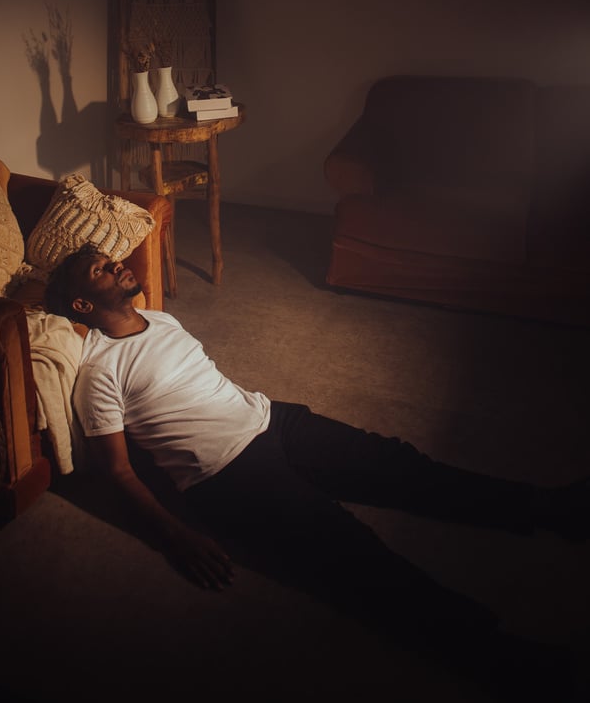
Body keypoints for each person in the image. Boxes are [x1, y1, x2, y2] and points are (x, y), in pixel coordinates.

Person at [44, 245, 588, 701]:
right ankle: (500, 655)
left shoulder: (161, 318)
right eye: (99, 268)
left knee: (401, 467)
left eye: (109, 257)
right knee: (351, 553)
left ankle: (549, 508)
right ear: (82, 303)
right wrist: (177, 537)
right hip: (227, 475)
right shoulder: (98, 373)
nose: (116, 263)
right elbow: (117, 473)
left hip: (273, 420)